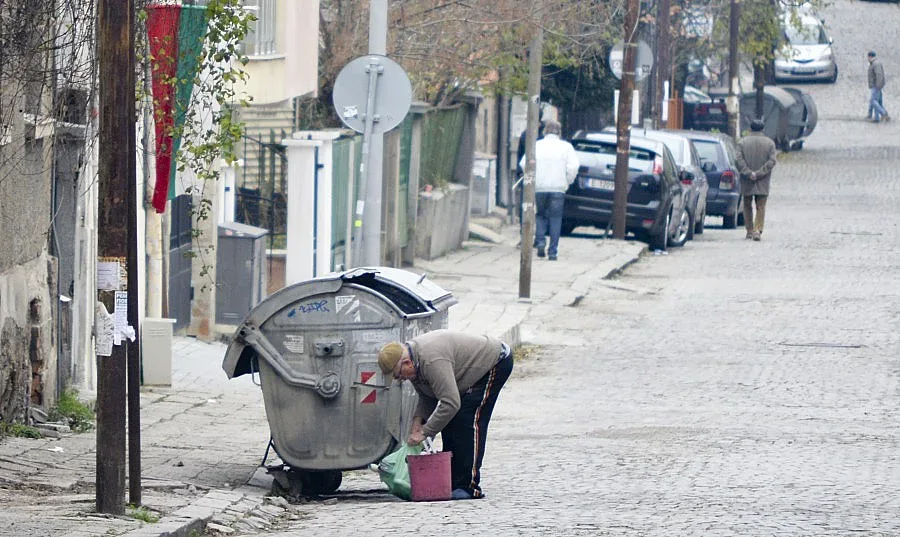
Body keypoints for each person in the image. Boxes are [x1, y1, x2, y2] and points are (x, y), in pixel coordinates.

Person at [377, 329, 513, 500]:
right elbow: (428, 396)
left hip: (494, 363)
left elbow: (450, 402)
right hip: (464, 375)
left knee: (467, 420)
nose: (400, 380)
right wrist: (418, 422)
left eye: (398, 375)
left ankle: (469, 486)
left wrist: (426, 432)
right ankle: (453, 482)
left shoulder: (431, 360)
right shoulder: (414, 364)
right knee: (448, 422)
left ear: (406, 363)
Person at [518, 119, 579, 260]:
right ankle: (553, 252)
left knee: (540, 215)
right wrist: (567, 181)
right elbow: (574, 166)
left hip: (539, 187)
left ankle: (540, 242)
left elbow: (523, 163)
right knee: (556, 218)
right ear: (559, 132)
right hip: (558, 188)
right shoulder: (566, 147)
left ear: (545, 131)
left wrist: (533, 177)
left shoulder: (536, 145)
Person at [736, 118, 777, 241]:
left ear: (750, 129)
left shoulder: (742, 143)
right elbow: (772, 161)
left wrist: (748, 173)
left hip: (747, 179)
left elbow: (738, 160)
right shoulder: (769, 143)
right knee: (761, 206)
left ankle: (749, 230)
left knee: (747, 205)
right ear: (763, 129)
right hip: (763, 179)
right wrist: (759, 173)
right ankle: (757, 230)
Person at [867, 51, 890, 123]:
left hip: (876, 86)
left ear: (870, 56)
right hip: (877, 85)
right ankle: (876, 118)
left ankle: (883, 114)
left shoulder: (875, 64)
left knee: (873, 101)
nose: (867, 58)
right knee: (878, 102)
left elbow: (879, 75)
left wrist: (878, 85)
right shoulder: (875, 63)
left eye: (868, 57)